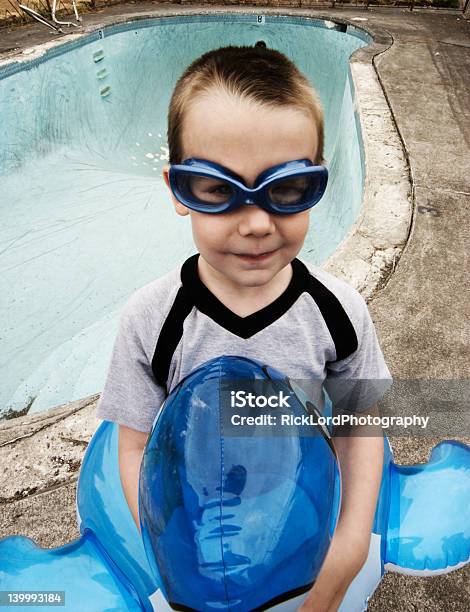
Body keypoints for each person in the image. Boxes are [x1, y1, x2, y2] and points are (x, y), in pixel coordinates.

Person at [96, 46, 391, 611]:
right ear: (177, 190)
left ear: (318, 182)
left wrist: (348, 548)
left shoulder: (337, 313)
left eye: (286, 190)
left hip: (297, 507)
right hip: (201, 519)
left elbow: (364, 421)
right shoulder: (152, 320)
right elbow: (133, 448)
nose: (256, 223)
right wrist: (176, 558)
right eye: (216, 189)